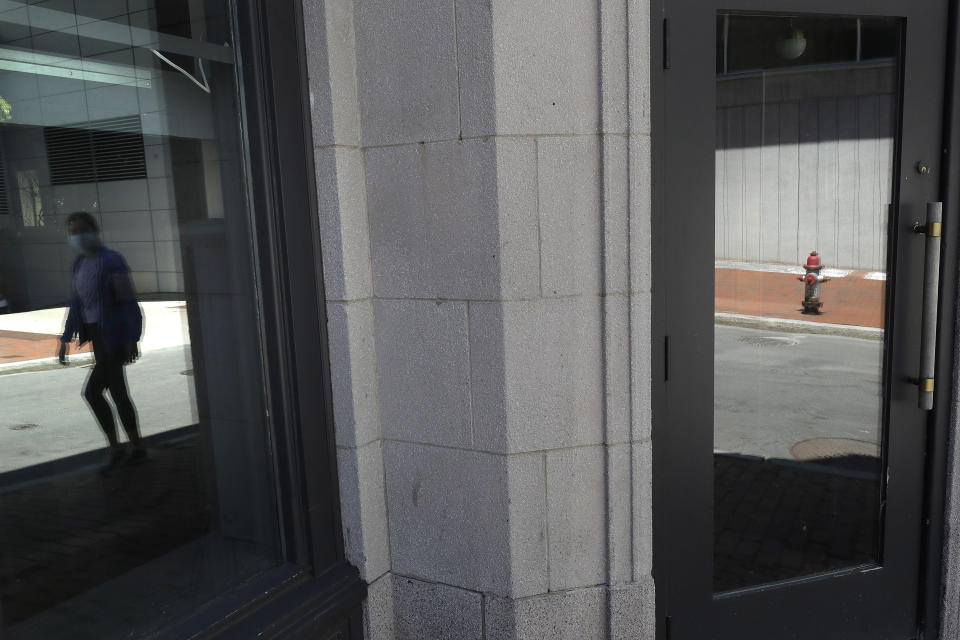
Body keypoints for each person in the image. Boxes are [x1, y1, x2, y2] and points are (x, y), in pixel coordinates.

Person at [58, 211, 146, 473]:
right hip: (97, 335)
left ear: (95, 231)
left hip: (114, 335)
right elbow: (77, 304)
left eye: (83, 230)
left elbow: (128, 300)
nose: (79, 236)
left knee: (95, 392)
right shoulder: (78, 265)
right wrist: (65, 338)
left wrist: (131, 337)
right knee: (116, 392)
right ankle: (132, 447)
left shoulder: (111, 261)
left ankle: (119, 448)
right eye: (73, 232)